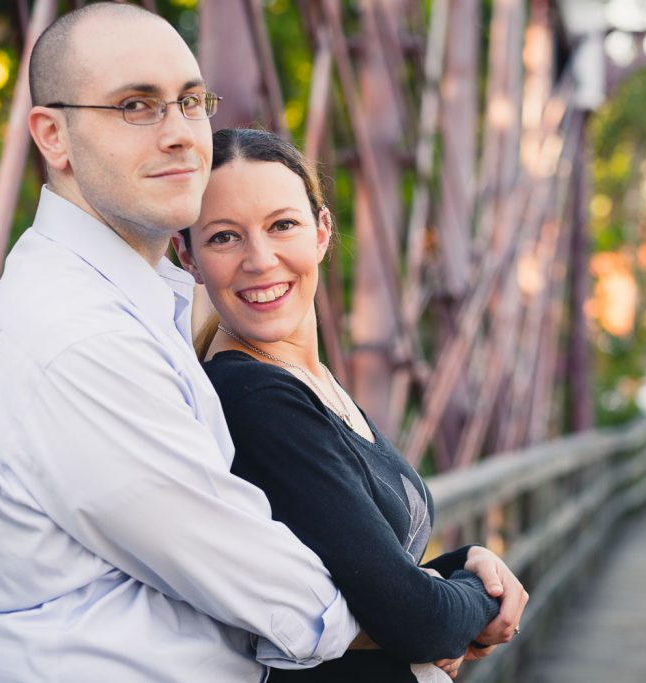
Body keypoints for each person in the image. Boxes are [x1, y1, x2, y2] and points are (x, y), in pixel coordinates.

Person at [0, 5, 370, 681]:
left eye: (191, 102)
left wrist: (437, 586)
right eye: (136, 105)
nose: (182, 135)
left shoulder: (133, 301)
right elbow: (260, 580)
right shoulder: (73, 334)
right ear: (54, 135)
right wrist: (420, 615)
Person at [172, 128, 530, 682]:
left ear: (321, 231)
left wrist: (464, 564)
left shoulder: (306, 381)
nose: (260, 260)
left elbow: (363, 579)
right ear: (187, 256)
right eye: (223, 237)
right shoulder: (256, 399)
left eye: (282, 225)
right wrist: (479, 603)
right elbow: (413, 621)